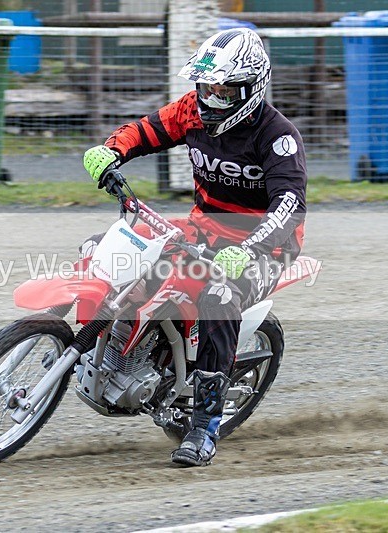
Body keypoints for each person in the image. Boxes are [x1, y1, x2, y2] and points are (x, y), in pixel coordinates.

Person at [82, 28, 307, 467]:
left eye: (225, 91)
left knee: (218, 298)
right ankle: (105, 348)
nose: (212, 99)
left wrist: (251, 249)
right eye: (206, 88)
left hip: (266, 246)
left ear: (253, 88)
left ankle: (204, 427)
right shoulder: (191, 110)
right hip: (203, 227)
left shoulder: (279, 138)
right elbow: (147, 130)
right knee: (110, 250)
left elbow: (289, 207)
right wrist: (111, 150)